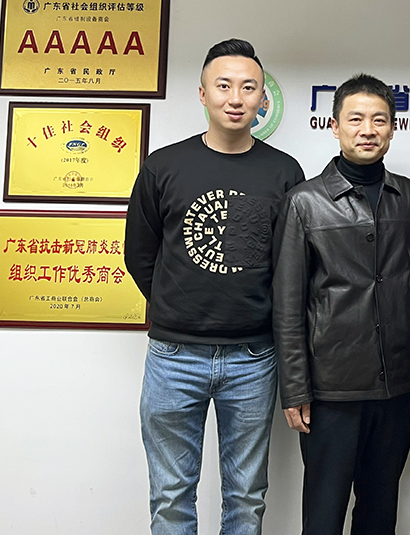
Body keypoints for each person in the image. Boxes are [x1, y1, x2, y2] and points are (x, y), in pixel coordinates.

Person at [124, 38, 304, 535]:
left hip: (254, 358)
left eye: (248, 88)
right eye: (223, 86)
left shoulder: (285, 172)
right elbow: (139, 254)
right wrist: (176, 306)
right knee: (170, 495)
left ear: (263, 98)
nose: (236, 98)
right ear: (203, 94)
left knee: (246, 496)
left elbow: (291, 268)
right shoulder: (163, 166)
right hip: (173, 356)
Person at [273, 73, 410, 535]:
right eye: (356, 119)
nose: (368, 130)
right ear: (335, 126)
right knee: (324, 513)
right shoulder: (304, 202)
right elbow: (288, 304)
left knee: (380, 511)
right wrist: (295, 388)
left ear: (392, 128)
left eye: (379, 120)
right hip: (331, 389)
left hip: (396, 383)